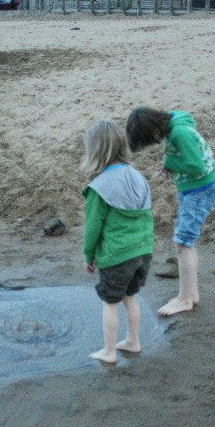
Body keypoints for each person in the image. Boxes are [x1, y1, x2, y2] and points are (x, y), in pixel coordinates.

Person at [126, 107, 215, 317]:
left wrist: (170, 162)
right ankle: (191, 294)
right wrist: (172, 165)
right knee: (186, 242)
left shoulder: (179, 132)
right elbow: (187, 155)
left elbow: (196, 166)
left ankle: (184, 299)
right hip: (191, 188)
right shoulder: (174, 122)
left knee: (183, 242)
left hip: (200, 189)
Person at [81, 120, 154, 363]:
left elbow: (92, 229)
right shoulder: (138, 177)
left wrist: (89, 256)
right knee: (130, 296)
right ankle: (133, 341)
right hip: (143, 251)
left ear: (95, 152)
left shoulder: (99, 188)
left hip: (117, 255)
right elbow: (146, 215)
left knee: (110, 300)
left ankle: (109, 351)